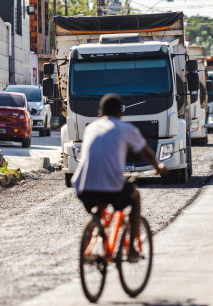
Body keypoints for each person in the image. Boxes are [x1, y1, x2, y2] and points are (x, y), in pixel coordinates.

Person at [72, 94, 168, 261]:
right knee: (135, 197)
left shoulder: (90, 127)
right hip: (110, 186)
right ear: (120, 113)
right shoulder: (126, 129)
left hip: (82, 186)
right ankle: (131, 250)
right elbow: (145, 152)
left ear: (100, 112)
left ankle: (91, 238)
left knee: (100, 204)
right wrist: (158, 167)